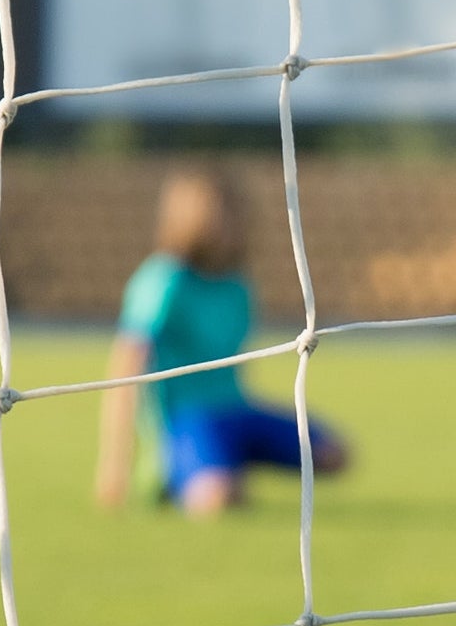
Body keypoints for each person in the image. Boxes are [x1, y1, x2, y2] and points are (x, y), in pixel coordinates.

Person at [94, 166, 352, 517]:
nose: (233, 226)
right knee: (216, 501)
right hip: (186, 420)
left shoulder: (237, 285)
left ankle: (227, 462)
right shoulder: (165, 280)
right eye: (221, 216)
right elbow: (126, 364)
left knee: (334, 456)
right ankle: (170, 470)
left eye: (237, 215)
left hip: (237, 410)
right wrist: (115, 462)